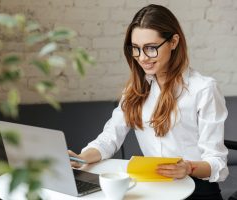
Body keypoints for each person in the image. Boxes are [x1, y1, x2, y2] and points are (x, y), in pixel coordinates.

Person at [68, 4, 228, 200]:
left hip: (197, 190)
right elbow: (110, 137)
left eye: (151, 48)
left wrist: (188, 167)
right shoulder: (135, 90)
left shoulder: (204, 89)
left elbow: (217, 163)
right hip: (154, 187)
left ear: (173, 42)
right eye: (136, 49)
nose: (142, 58)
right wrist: (82, 158)